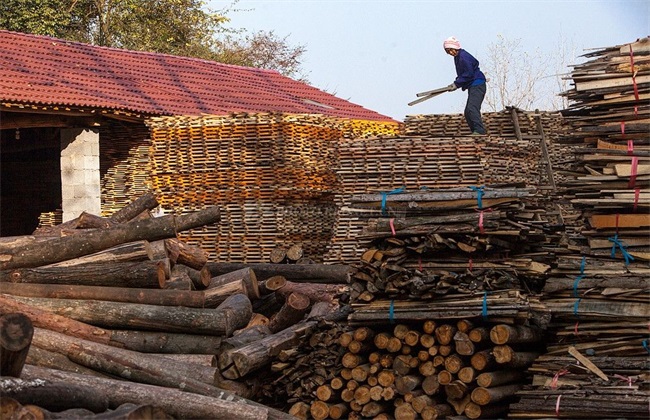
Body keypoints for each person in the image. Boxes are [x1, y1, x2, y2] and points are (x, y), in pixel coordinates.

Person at [443, 36, 487, 135]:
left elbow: (468, 74)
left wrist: (457, 84)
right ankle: (475, 131)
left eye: (451, 50)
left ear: (455, 48)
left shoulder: (463, 56)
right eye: (448, 51)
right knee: (467, 112)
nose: (450, 53)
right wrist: (456, 82)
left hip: (477, 84)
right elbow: (462, 74)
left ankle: (479, 131)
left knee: (472, 108)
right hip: (472, 85)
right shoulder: (457, 57)